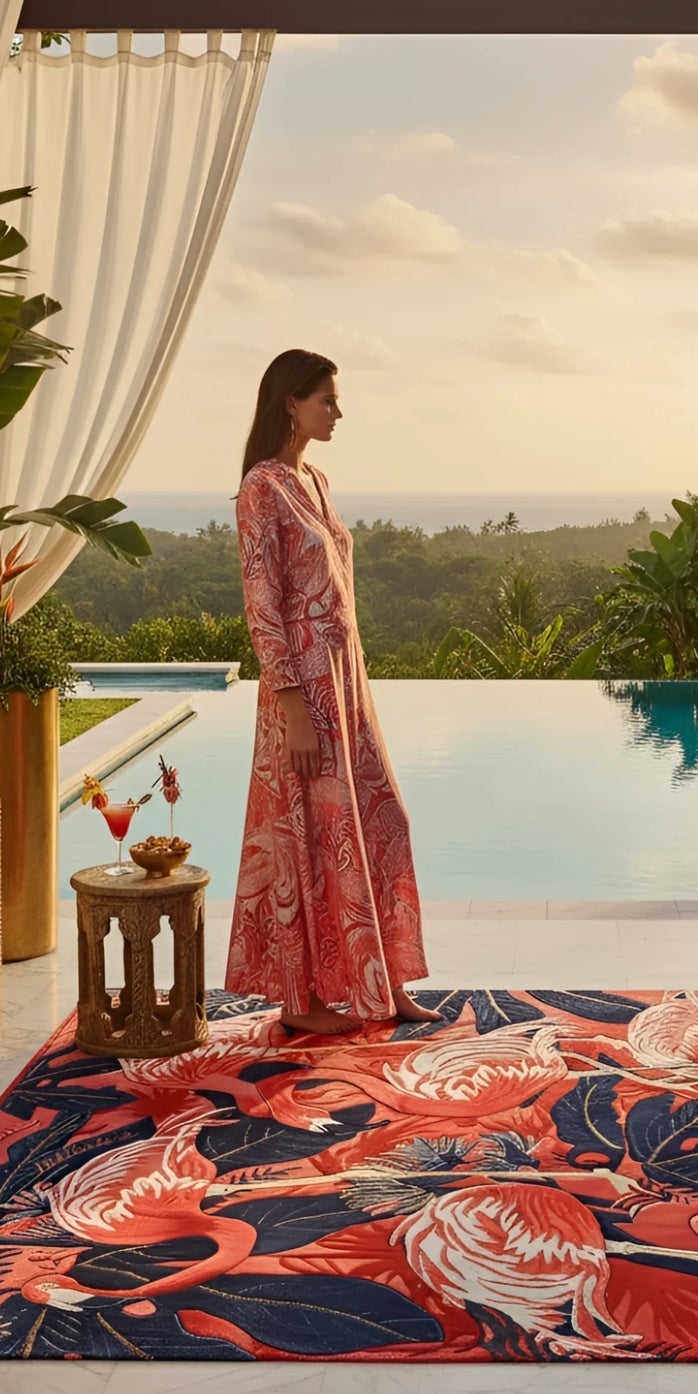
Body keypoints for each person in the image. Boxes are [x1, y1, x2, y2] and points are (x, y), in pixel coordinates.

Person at [225, 349, 440, 1035]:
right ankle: (301, 1003)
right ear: (292, 403)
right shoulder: (264, 486)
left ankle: (385, 982)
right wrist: (291, 703)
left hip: (345, 684)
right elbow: (262, 601)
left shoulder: (315, 479)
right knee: (308, 840)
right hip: (301, 690)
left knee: (380, 823)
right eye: (326, 399)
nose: (337, 411)